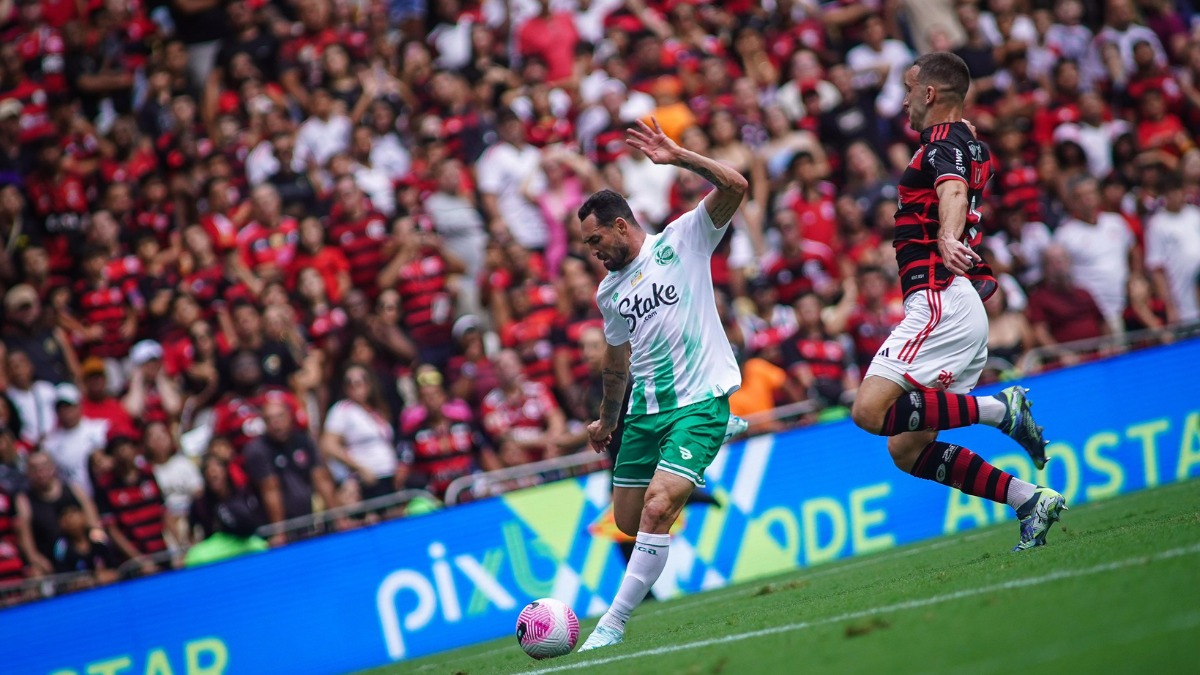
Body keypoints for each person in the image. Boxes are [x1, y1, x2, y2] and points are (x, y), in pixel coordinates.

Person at [848, 53, 1066, 555]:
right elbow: (961, 171)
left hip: (939, 298)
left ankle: (1000, 409)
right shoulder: (964, 143)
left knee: (868, 410)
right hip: (958, 305)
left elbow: (951, 189)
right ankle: (1029, 499)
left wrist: (947, 236)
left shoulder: (945, 144)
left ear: (929, 94)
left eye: (908, 89)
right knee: (907, 448)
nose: (902, 99)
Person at [577, 117, 746, 651]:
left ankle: (613, 622)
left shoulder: (683, 239)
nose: (594, 250)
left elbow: (737, 186)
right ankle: (694, 461)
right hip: (644, 413)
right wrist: (609, 418)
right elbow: (615, 359)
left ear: (622, 225)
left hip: (699, 401)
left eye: (596, 238)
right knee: (628, 521)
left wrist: (679, 158)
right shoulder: (609, 292)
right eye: (586, 244)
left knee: (656, 510)